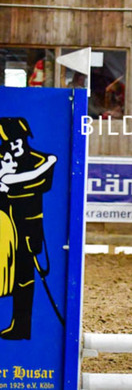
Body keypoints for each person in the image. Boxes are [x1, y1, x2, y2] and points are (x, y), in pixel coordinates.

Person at [0, 118, 57, 340]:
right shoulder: (6, 159)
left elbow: (42, 184)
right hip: (5, 229)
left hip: (26, 229)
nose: (11, 146)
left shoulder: (38, 160)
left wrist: (10, 189)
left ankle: (21, 326)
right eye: (7, 142)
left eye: (15, 140)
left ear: (24, 138)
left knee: (24, 278)